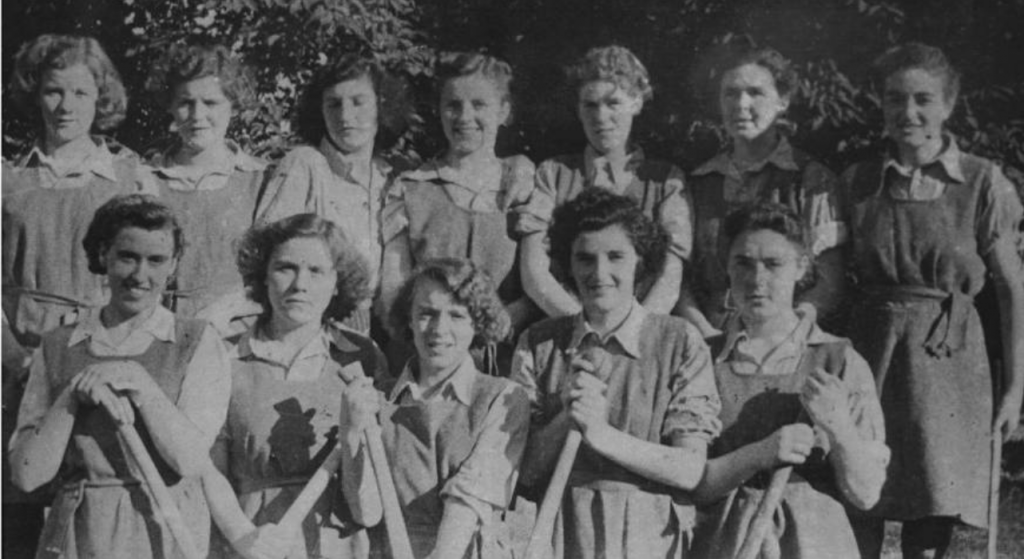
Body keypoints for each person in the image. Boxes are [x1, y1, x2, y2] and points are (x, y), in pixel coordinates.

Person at [843, 43, 1024, 559]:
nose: (908, 112)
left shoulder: (983, 182)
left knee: (930, 516)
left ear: (948, 104)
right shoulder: (856, 182)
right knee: (858, 501)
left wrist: (1015, 389)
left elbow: (1013, 289)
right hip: (871, 354)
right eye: (894, 98)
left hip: (949, 363)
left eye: (923, 99)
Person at [9, 194, 231, 558]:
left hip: (165, 528)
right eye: (128, 257)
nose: (140, 276)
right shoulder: (58, 344)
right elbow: (27, 474)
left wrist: (139, 382)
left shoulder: (196, 341)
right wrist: (71, 396)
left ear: (173, 264)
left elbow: (190, 461)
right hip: (80, 534)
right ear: (103, 255)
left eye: (156, 260)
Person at [512, 189, 721, 559]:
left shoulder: (679, 340)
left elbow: (690, 470)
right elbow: (523, 472)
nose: (599, 273)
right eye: (585, 258)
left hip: (649, 535)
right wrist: (565, 419)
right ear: (568, 263)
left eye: (616, 256)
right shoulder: (539, 343)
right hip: (559, 533)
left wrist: (601, 434)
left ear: (640, 260)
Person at [2, 33, 143, 556]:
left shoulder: (129, 177)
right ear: (34, 94)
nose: (66, 106)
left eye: (81, 93)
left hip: (98, 353)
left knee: (95, 504)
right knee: (18, 508)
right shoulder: (8, 179)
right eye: (53, 91)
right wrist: (12, 355)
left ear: (100, 98)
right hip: (16, 359)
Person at [691, 203, 888, 559]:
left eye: (773, 264)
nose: (757, 279)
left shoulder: (839, 362)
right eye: (743, 263)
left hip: (815, 544)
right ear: (726, 267)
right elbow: (688, 481)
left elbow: (866, 493)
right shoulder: (701, 360)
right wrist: (758, 454)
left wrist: (839, 426)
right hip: (723, 544)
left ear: (801, 268)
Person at [201, 213, 387, 559]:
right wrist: (243, 537)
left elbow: (371, 497)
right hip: (253, 541)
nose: (300, 284)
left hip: (337, 545)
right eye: (286, 268)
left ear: (337, 282)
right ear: (263, 276)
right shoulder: (224, 357)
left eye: (316, 271)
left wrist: (353, 434)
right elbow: (209, 469)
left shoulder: (361, 357)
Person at [341, 258, 530, 558]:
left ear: (477, 323)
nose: (439, 329)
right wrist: (351, 433)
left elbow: (468, 502)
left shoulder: (502, 398)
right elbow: (367, 512)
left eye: (456, 315)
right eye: (427, 314)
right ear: (409, 320)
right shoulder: (378, 399)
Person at [379, 52, 537, 374]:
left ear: (503, 111)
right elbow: (393, 293)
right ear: (439, 111)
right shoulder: (411, 189)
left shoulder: (527, 187)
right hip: (428, 359)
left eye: (479, 105)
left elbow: (543, 280)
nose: (464, 117)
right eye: (453, 105)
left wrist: (503, 322)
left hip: (507, 359)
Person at [681, 42, 848, 336]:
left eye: (755, 92)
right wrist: (704, 333)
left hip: (788, 338)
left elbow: (829, 279)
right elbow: (680, 277)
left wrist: (796, 327)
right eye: (730, 93)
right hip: (708, 339)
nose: (740, 104)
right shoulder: (699, 182)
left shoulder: (811, 179)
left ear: (782, 100)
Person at [517, 45, 692, 320]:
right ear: (578, 109)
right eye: (590, 105)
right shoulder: (554, 174)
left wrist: (635, 331)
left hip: (644, 329)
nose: (600, 117)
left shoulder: (666, 181)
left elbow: (671, 276)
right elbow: (533, 271)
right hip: (564, 322)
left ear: (636, 103)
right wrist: (580, 327)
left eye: (613, 103)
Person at [256, 54, 412, 334]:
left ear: (381, 106)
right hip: (313, 323)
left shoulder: (392, 177)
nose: (345, 116)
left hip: (382, 329)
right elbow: (266, 254)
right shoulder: (305, 165)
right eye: (334, 104)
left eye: (358, 102)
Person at [141, 42, 269, 329]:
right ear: (170, 106)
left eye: (210, 103)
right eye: (185, 103)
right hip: (162, 330)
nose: (197, 115)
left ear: (233, 105)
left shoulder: (260, 180)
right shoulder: (146, 178)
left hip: (238, 331)